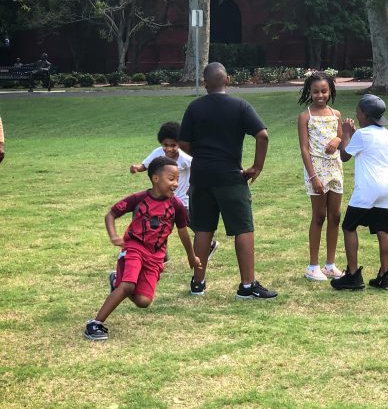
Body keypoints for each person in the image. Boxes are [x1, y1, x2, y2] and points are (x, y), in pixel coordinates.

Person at [179, 62, 277, 299]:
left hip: (201, 176)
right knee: (243, 228)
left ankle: (198, 283)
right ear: (228, 80)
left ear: (205, 84)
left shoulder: (194, 107)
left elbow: (183, 144)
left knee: (203, 229)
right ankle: (247, 285)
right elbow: (262, 135)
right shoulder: (240, 106)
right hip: (231, 176)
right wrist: (257, 167)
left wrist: (203, 157)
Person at [84, 156, 201, 340]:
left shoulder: (176, 205)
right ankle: (95, 324)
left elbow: (183, 232)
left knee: (143, 301)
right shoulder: (138, 199)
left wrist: (191, 256)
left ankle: (116, 282)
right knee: (128, 285)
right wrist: (114, 236)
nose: (176, 184)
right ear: (156, 178)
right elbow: (111, 214)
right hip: (134, 247)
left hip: (156, 256)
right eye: (171, 179)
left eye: (177, 179)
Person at [129, 121, 219, 266]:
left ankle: (209, 244)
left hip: (182, 201)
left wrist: (193, 184)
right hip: (163, 199)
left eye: (173, 145)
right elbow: (145, 165)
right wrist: (136, 168)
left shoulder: (185, 158)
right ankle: (161, 255)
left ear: (179, 144)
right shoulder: (158, 153)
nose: (169, 148)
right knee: (159, 225)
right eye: (165, 145)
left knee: (192, 225)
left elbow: (198, 168)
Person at [332, 95, 388, 291]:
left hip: (368, 188)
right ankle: (384, 275)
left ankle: (353, 275)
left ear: (365, 115)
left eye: (358, 112)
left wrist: (346, 133)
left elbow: (344, 156)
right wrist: (352, 135)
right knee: (383, 230)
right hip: (387, 187)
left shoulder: (362, 134)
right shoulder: (385, 133)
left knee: (349, 226)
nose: (356, 114)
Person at [297, 72, 345, 281]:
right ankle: (312, 266)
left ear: (330, 91)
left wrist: (337, 139)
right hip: (316, 169)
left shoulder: (336, 114)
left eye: (324, 91)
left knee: (335, 216)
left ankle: (330, 265)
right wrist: (313, 177)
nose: (320, 95)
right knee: (319, 216)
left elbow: (341, 137)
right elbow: (304, 148)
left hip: (335, 168)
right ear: (309, 92)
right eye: (315, 91)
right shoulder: (305, 116)